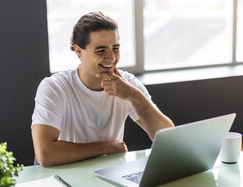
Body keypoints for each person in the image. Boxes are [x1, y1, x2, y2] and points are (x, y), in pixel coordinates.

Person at [31, 12, 174, 167]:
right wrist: (106, 148)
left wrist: (135, 96)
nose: (111, 58)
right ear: (78, 51)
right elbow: (45, 155)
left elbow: (168, 138)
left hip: (107, 174)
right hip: (64, 176)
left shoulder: (128, 84)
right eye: (101, 50)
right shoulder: (54, 88)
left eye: (116, 48)